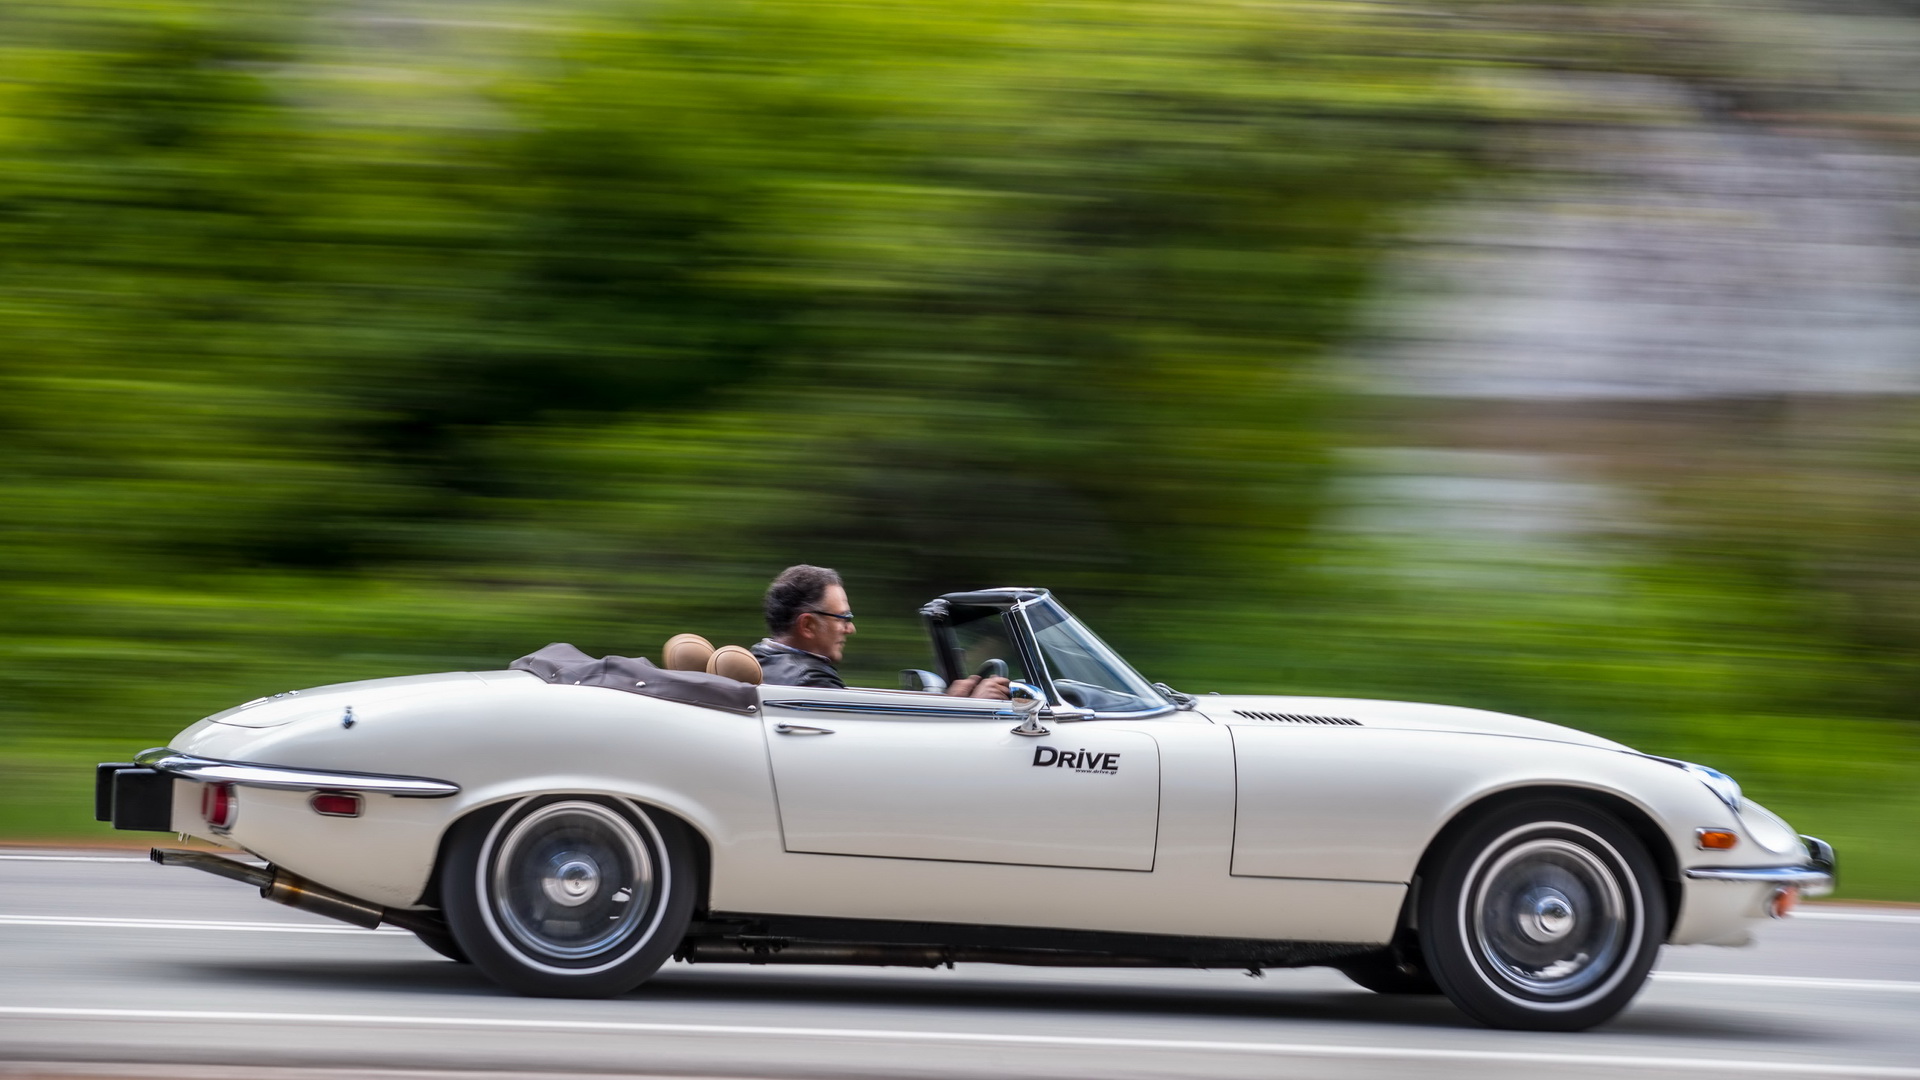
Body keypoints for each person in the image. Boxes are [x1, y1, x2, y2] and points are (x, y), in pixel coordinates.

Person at [751, 565, 1009, 699]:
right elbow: (866, 744)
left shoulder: (761, 660)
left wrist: (951, 702)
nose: (851, 628)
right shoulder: (810, 682)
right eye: (843, 618)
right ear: (808, 625)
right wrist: (965, 708)